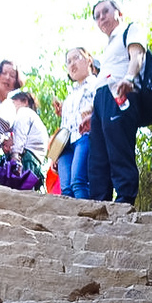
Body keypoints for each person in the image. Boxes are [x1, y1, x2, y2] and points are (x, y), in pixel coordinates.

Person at [88, 0, 146, 204]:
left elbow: (137, 54)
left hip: (120, 92)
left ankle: (124, 200)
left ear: (118, 13)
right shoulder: (108, 47)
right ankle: (99, 202)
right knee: (98, 155)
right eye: (97, 16)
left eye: (105, 12)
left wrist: (129, 78)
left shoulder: (130, 30)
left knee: (119, 147)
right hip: (101, 99)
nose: (101, 17)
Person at [53, 47, 97, 199]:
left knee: (78, 181)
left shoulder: (96, 84)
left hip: (84, 137)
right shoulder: (70, 95)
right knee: (66, 189)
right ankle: (70, 223)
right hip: (65, 144)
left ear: (89, 60)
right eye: (68, 61)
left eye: (76, 58)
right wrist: (55, 154)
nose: (72, 64)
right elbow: (64, 125)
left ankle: (86, 221)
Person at [9, 91, 49, 188]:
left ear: (25, 101)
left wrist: (15, 154)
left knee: (18, 194)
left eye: (13, 103)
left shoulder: (24, 112)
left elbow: (20, 134)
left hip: (25, 158)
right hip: (36, 162)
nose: (11, 107)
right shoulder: (37, 120)